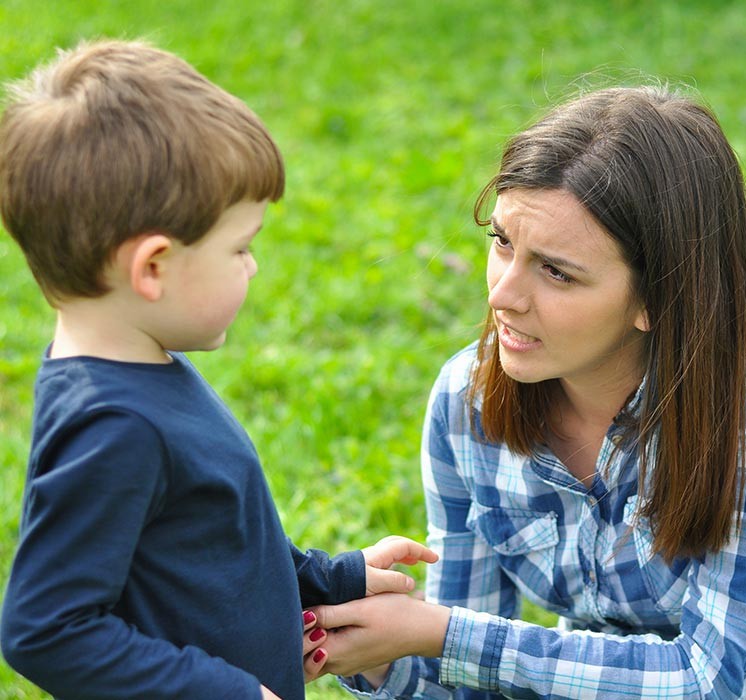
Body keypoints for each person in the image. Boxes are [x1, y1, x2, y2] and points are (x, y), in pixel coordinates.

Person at [304, 86, 746, 698]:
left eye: (556, 271)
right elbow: (465, 678)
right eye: (502, 242)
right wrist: (377, 654)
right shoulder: (466, 401)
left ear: (658, 297)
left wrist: (443, 635)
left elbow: (715, 679)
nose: (502, 294)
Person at [0, 40, 436, 700]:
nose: (253, 266)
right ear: (152, 268)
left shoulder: (140, 365)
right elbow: (46, 629)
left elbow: (207, 537)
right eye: (240, 248)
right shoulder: (114, 428)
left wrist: (328, 578)